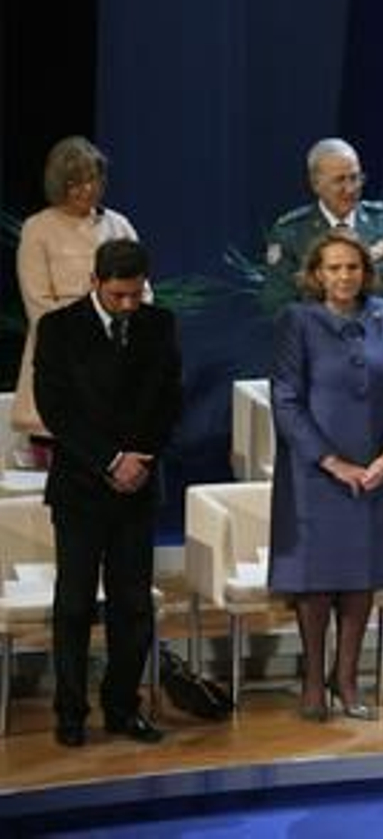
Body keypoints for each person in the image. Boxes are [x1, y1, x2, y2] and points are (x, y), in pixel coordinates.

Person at [33, 239, 182, 747]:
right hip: (81, 486)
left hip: (139, 486)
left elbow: (169, 399)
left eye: (136, 295)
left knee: (133, 606)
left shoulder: (159, 324)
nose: (128, 305)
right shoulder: (58, 329)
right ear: (95, 283)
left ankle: (123, 708)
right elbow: (56, 409)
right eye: (118, 295)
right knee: (74, 605)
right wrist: (110, 460)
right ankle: (70, 712)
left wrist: (141, 458)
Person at [268, 230, 383, 721]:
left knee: (361, 578)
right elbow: (286, 398)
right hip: (317, 471)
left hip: (377, 467)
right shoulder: (299, 320)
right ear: (316, 274)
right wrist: (331, 462)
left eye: (352, 267)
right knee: (317, 581)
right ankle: (313, 681)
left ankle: (347, 679)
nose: (344, 276)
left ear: (365, 272)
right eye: (333, 268)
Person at [11, 136, 143, 467]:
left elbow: (144, 291)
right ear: (59, 185)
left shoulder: (118, 225)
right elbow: (38, 303)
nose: (87, 189)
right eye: (76, 182)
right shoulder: (38, 229)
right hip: (60, 366)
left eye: (93, 179)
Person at [265, 138, 383, 317]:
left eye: (355, 178)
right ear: (315, 184)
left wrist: (380, 322)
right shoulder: (290, 233)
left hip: (381, 339)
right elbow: (277, 303)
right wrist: (328, 328)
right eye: (339, 180)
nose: (350, 189)